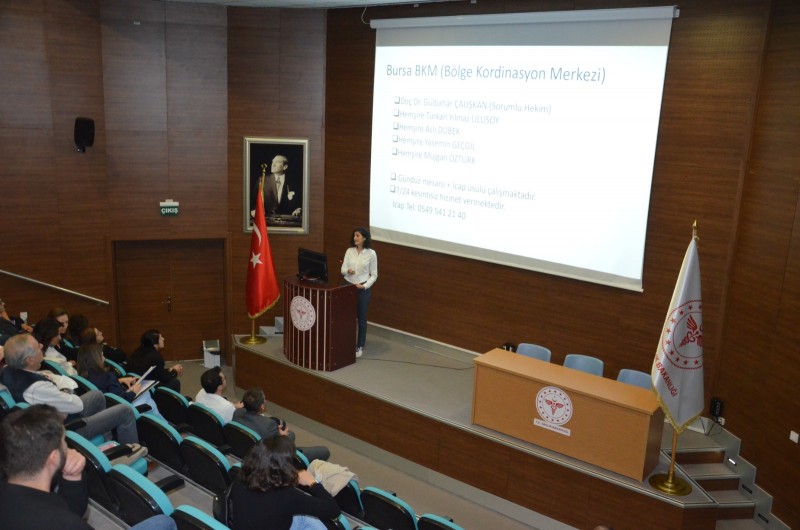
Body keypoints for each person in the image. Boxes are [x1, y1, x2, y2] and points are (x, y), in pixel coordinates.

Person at [0, 404, 176, 530]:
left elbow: (72, 510)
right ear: (53, 458)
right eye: (64, 442)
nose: (68, 447)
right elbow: (69, 518)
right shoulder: (65, 523)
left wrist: (73, 477)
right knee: (163, 523)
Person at [0, 333, 139, 444]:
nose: (42, 345)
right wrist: (64, 391)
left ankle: (108, 443)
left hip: (51, 418)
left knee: (97, 395)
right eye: (37, 346)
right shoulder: (37, 387)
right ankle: (131, 454)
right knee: (125, 411)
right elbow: (76, 405)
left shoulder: (7, 371)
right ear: (29, 360)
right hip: (65, 431)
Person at [229, 435, 340, 530]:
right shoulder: (287, 496)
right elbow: (333, 510)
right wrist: (313, 483)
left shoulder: (241, 477)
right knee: (311, 519)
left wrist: (281, 443)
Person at [233, 387, 330, 462]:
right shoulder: (269, 425)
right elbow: (275, 445)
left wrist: (276, 432)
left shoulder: (237, 413)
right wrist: (282, 436)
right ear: (262, 407)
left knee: (291, 434)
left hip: (245, 450)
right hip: (266, 459)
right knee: (325, 451)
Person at [76, 342, 164, 421]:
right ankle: (164, 425)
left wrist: (120, 381)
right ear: (95, 359)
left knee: (148, 401)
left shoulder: (82, 377)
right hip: (118, 410)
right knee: (146, 395)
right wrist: (133, 392)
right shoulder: (108, 376)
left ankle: (163, 422)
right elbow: (121, 400)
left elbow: (102, 386)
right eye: (102, 355)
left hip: (101, 411)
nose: (104, 358)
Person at [340, 227, 378, 358]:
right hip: (347, 286)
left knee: (361, 318)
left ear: (364, 238)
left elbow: (374, 275)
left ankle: (360, 345)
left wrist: (365, 286)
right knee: (345, 316)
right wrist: (348, 271)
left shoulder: (371, 254)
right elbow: (342, 269)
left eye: (358, 236)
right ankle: (345, 341)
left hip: (362, 288)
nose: (355, 238)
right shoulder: (349, 251)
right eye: (354, 235)